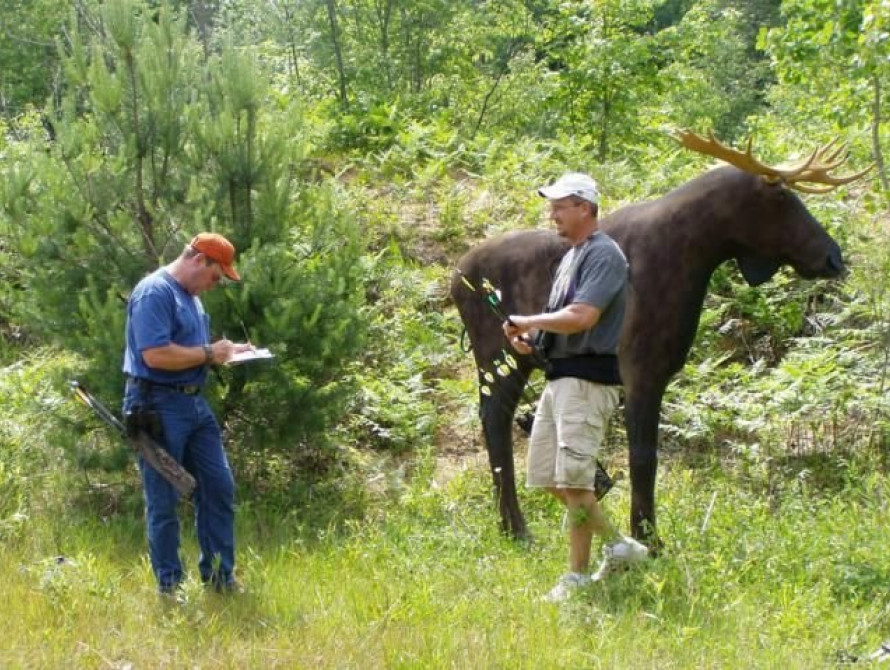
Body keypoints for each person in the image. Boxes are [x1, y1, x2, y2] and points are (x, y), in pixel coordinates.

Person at [503, 173, 648, 602]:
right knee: (549, 476)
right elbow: (563, 321)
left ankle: (578, 580)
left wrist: (529, 320)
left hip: (587, 383)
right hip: (560, 379)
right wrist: (531, 341)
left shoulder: (605, 255)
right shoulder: (571, 256)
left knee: (577, 482)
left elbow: (583, 316)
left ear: (585, 207)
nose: (552, 215)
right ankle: (621, 547)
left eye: (560, 206)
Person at [122, 232, 253, 595]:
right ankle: (170, 588)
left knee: (218, 487)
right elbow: (155, 355)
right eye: (215, 276)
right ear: (199, 259)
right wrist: (210, 353)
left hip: (194, 404)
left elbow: (195, 351)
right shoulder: (155, 292)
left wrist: (230, 352)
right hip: (155, 406)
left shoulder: (192, 299)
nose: (214, 285)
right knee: (163, 499)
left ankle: (219, 579)